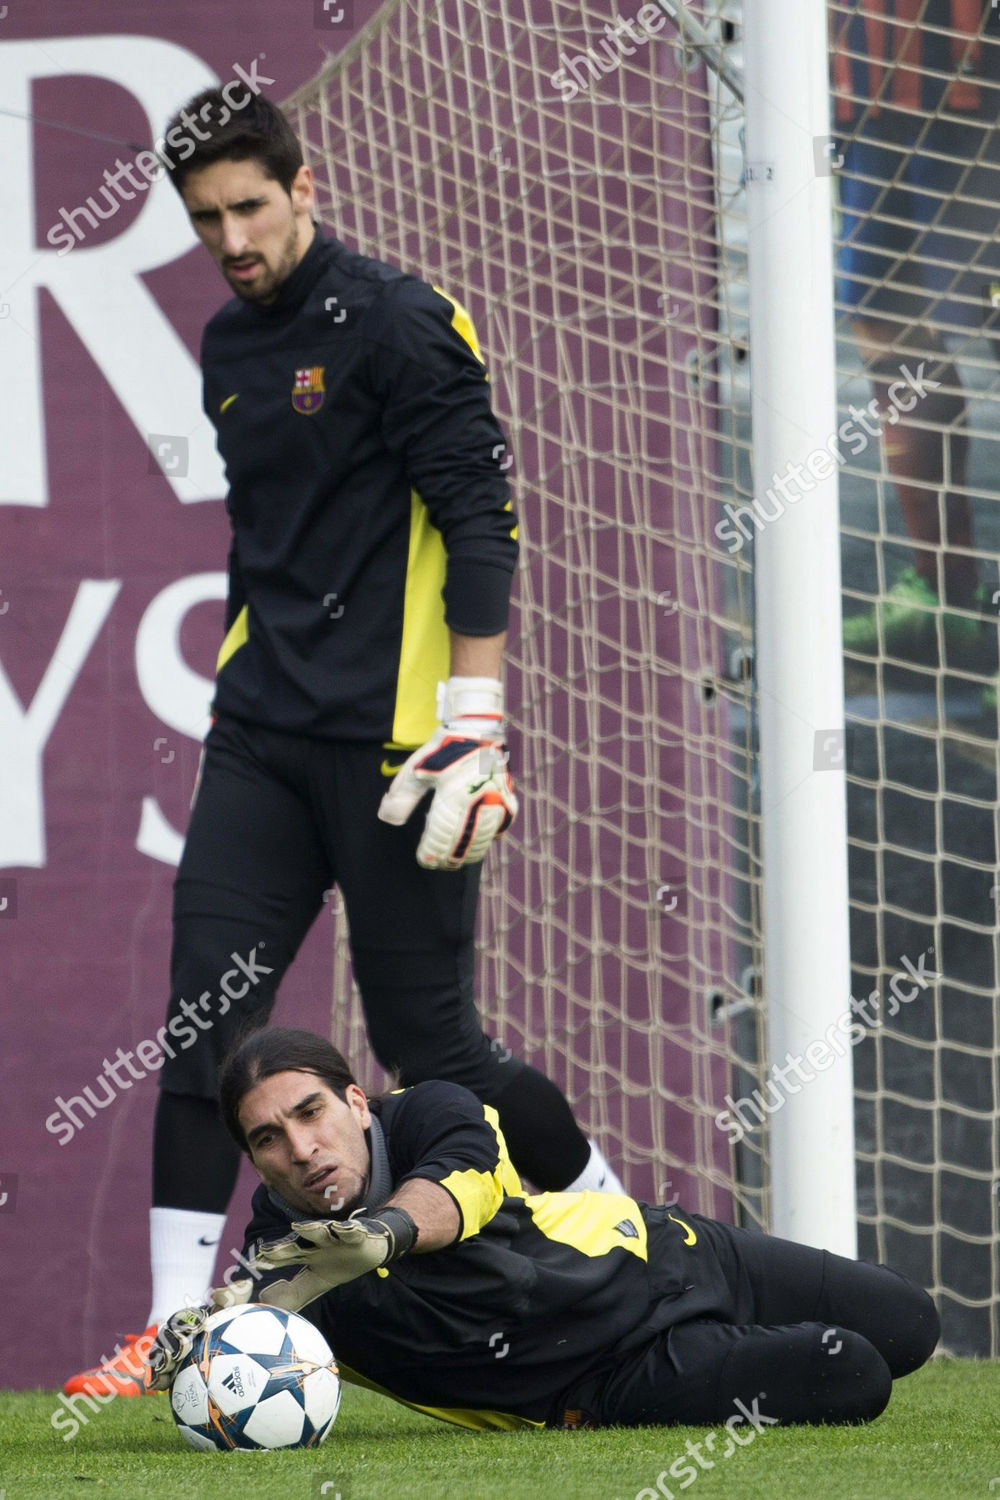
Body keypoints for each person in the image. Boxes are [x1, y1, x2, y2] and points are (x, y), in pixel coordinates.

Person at [63, 89, 620, 1399]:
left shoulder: (401, 321)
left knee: (438, 1053)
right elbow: (268, 544)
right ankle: (171, 1329)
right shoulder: (221, 345)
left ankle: (602, 1213)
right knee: (208, 1019)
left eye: (251, 206)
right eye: (206, 218)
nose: (232, 237)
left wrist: (473, 715)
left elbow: (481, 519)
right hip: (261, 735)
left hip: (397, 751)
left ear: (304, 188)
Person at [145, 1027, 939, 1431]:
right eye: (267, 1139)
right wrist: (210, 1341)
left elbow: (461, 1186)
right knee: (854, 1372)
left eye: (310, 1113)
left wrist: (384, 1234)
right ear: (254, 1160)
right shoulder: (281, 1267)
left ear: (356, 1103)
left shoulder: (435, 1111)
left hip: (674, 1254)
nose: (301, 1149)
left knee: (911, 1324)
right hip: (606, 1380)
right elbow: (253, 1343)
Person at [832, 0, 1000, 664]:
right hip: (869, 81)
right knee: (884, 318)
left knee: (988, 319)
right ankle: (943, 587)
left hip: (977, 77)